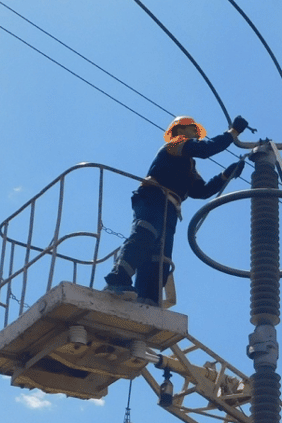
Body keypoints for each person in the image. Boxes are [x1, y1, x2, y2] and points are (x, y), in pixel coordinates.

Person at [103, 114, 249, 306]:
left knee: (160, 257)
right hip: (153, 197)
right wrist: (232, 133)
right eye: (193, 130)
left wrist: (225, 175)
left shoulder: (188, 165)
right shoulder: (174, 145)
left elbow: (201, 191)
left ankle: (147, 300)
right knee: (146, 233)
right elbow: (205, 149)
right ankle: (117, 280)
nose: (196, 135)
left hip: (170, 209)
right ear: (179, 130)